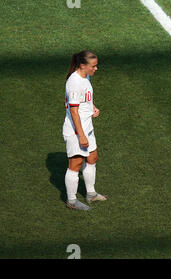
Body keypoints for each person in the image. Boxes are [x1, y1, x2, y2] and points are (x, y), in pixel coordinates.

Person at [63, 50, 108, 210]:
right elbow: (73, 111)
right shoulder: (75, 82)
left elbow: (85, 100)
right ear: (83, 65)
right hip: (77, 131)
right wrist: (81, 135)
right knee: (75, 164)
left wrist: (93, 108)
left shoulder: (85, 76)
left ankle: (91, 194)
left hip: (87, 127)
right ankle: (72, 201)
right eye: (93, 66)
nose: (96, 69)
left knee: (92, 158)